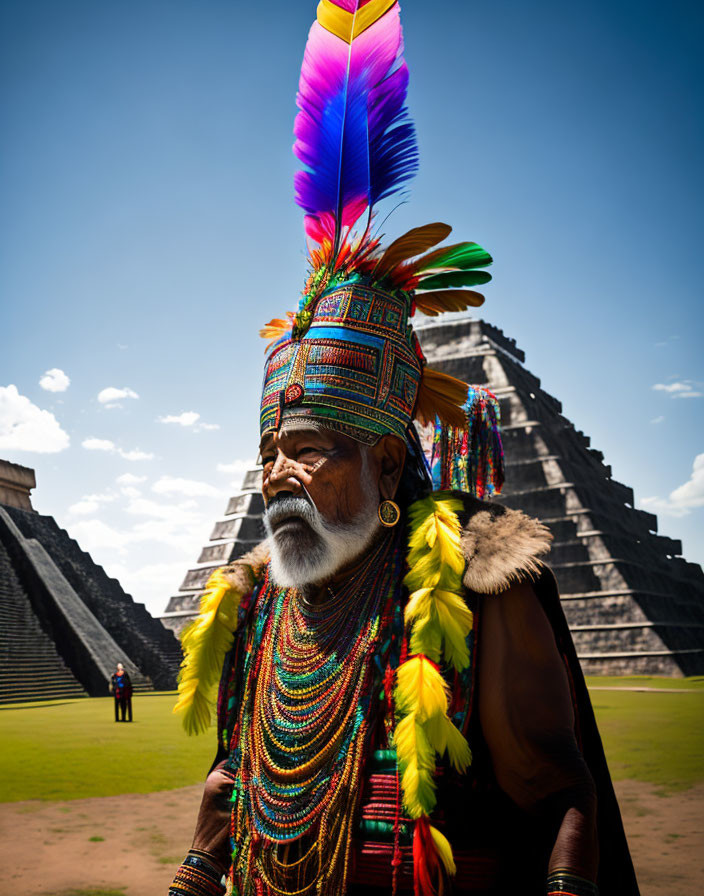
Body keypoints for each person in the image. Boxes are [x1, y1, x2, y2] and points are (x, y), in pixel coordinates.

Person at [169, 2, 639, 894]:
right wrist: (197, 869)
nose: (278, 473)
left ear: (388, 463)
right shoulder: (255, 601)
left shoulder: (474, 589)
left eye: (311, 449)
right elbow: (233, 783)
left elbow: (556, 798)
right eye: (270, 451)